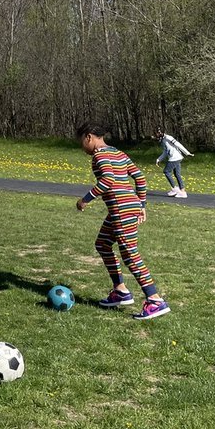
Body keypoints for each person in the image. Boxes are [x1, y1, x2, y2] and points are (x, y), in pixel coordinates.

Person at [75, 122, 170, 320]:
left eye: (81, 142)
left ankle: (155, 300)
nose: (82, 147)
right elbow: (140, 178)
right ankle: (120, 291)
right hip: (128, 207)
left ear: (89, 137)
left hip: (121, 210)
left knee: (129, 253)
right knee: (102, 244)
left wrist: (85, 200)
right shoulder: (118, 153)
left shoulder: (99, 156)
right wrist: (141, 205)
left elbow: (107, 180)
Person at [154, 128, 193, 198]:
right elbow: (166, 151)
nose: (155, 135)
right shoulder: (163, 140)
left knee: (166, 171)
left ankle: (175, 189)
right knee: (177, 174)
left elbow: (178, 144)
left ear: (160, 132)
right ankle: (183, 192)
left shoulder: (168, 137)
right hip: (176, 157)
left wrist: (187, 153)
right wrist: (159, 159)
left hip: (175, 158)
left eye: (156, 133)